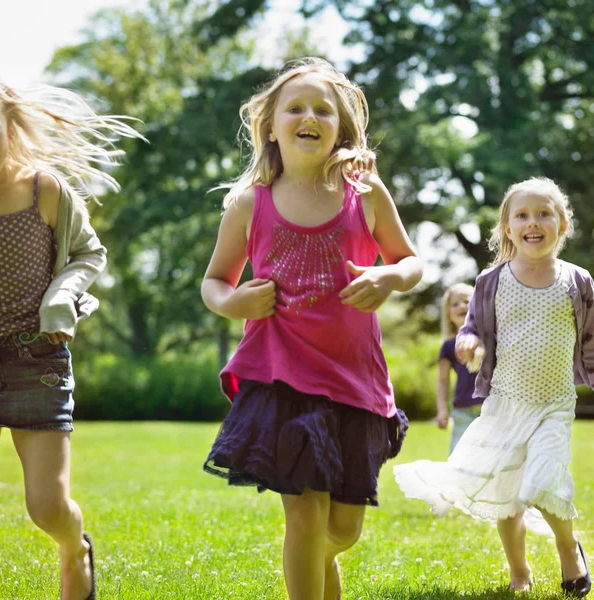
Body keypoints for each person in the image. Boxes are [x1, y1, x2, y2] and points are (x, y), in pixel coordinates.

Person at [201, 57, 422, 600]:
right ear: (271, 126)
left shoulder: (365, 194)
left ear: (340, 128)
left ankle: (311, 565)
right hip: (281, 381)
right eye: (295, 108)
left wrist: (388, 276)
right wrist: (235, 305)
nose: (309, 116)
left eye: (323, 110)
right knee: (303, 515)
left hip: (355, 382)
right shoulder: (250, 204)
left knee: (339, 531)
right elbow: (213, 282)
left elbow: (412, 261)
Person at [394, 177, 592, 596]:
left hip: (554, 403)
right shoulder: (491, 281)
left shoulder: (577, 282)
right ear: (507, 227)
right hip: (505, 402)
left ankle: (566, 546)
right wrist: (469, 340)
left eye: (544, 213)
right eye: (521, 215)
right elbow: (474, 328)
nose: (532, 222)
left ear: (563, 223)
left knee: (542, 480)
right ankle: (519, 572)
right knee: (505, 491)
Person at [0, 79, 143, 600]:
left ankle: (73, 546)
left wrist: (62, 295)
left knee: (47, 508)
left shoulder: (44, 189)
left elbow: (87, 253)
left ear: (8, 125)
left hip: (36, 358)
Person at [436, 283, 484, 454]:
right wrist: (442, 410)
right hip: (462, 412)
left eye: (466, 301)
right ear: (448, 314)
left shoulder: (489, 338)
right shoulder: (448, 346)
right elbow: (442, 381)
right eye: (455, 304)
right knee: (459, 459)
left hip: (491, 409)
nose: (461, 306)